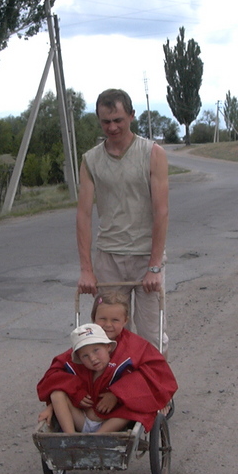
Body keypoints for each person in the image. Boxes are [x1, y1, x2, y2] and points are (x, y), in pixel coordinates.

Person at [76, 88, 169, 351]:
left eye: (118, 120)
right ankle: (117, 390)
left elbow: (161, 211)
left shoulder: (152, 153)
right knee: (110, 335)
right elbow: (83, 215)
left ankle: (157, 391)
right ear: (99, 120)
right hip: (109, 260)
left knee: (151, 333)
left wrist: (154, 266)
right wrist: (86, 269)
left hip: (145, 257)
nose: (113, 127)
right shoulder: (91, 160)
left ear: (131, 115)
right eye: (106, 121)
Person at [37, 320, 176, 433]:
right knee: (57, 393)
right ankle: (71, 438)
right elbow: (55, 381)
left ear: (108, 347)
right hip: (82, 420)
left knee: (132, 408)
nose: (93, 358)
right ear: (79, 358)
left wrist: (116, 394)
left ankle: (98, 438)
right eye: (85, 356)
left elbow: (140, 384)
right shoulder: (78, 370)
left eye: (96, 350)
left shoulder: (123, 365)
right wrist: (51, 407)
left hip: (110, 423)